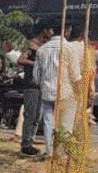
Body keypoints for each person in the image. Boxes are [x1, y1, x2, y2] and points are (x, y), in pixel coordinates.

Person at [33, 20, 82, 158]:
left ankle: (49, 151)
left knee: (49, 123)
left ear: (53, 31)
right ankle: (61, 154)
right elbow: (76, 76)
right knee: (65, 124)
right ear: (67, 31)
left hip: (47, 92)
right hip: (66, 93)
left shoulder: (41, 50)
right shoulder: (70, 48)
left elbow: (36, 77)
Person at [16, 22, 52, 156]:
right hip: (31, 84)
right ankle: (25, 145)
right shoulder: (32, 45)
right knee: (30, 115)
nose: (52, 33)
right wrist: (37, 64)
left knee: (37, 116)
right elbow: (21, 59)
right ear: (44, 30)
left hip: (41, 84)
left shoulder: (43, 45)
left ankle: (30, 142)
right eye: (51, 30)